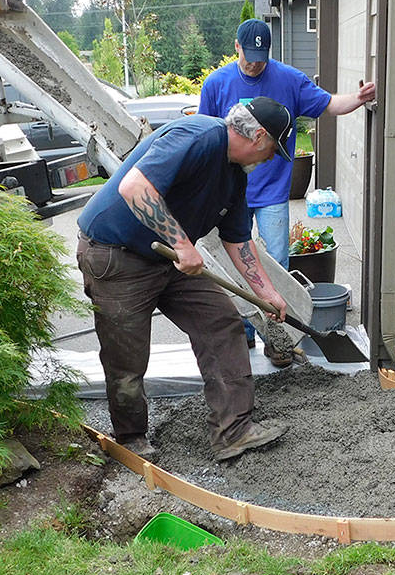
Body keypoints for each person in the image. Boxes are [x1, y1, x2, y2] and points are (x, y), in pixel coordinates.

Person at [75, 96, 294, 461]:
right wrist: (181, 242)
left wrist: (267, 293)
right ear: (258, 136)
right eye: (274, 148)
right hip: (115, 256)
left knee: (222, 322)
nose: (272, 158)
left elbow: (238, 240)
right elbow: (135, 188)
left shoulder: (235, 176)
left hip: (167, 261)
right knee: (126, 356)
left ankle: (233, 431)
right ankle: (130, 440)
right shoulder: (199, 137)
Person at [198, 18, 376, 366]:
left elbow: (327, 105)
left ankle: (275, 341)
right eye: (249, 56)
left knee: (274, 266)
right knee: (230, 263)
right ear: (236, 47)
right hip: (230, 192)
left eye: (261, 57)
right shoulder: (217, 84)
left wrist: (357, 98)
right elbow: (206, 133)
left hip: (272, 193)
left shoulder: (289, 79)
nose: (254, 63)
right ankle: (243, 334)